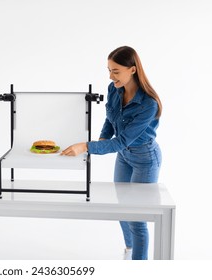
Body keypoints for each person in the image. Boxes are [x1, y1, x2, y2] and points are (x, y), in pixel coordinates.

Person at [61, 46, 162, 260]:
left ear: (133, 70)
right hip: (124, 157)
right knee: (123, 209)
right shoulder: (113, 88)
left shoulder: (148, 104)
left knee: (137, 217)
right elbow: (110, 119)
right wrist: (102, 140)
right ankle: (130, 250)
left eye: (116, 71)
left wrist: (86, 146)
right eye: (108, 70)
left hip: (145, 159)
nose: (110, 76)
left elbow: (123, 140)